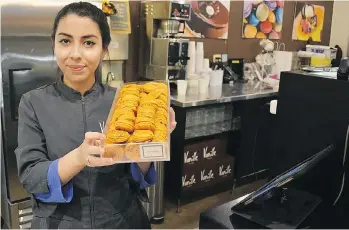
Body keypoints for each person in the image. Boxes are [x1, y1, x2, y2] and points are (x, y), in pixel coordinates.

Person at [14, 2, 176, 229]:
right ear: (54, 45)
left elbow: (136, 176)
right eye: (65, 41)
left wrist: (150, 142)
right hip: (61, 223)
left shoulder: (121, 100)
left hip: (123, 220)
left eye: (88, 42)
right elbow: (32, 177)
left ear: (104, 48)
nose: (75, 54)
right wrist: (79, 157)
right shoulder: (32, 103)